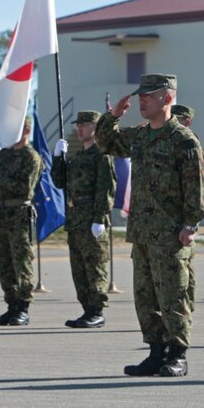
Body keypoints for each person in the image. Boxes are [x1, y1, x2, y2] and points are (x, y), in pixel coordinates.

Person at [96, 74, 204, 378]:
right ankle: (155, 353)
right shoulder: (141, 136)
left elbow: (196, 187)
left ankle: (178, 355)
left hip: (171, 235)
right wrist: (113, 116)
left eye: (150, 95)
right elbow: (106, 143)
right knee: (146, 298)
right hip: (143, 233)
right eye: (141, 95)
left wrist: (190, 223)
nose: (142, 100)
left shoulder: (182, 140)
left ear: (167, 98)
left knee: (173, 296)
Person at [53, 111, 116, 328]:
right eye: (78, 125)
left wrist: (99, 218)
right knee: (79, 269)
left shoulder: (103, 155)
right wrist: (57, 158)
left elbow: (105, 189)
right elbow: (60, 182)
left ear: (96, 128)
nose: (80, 128)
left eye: (85, 124)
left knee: (95, 267)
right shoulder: (78, 157)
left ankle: (97, 311)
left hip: (92, 218)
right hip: (76, 219)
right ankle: (87, 310)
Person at [0, 117, 42, 326]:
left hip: (20, 212)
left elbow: (25, 189)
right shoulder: (5, 154)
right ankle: (11, 305)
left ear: (26, 130)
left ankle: (23, 307)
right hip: (3, 213)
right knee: (4, 262)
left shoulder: (31, 157)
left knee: (22, 261)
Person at [170, 104, 199, 314]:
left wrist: (191, 223)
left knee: (185, 269)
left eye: (178, 118)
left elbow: (194, 187)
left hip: (184, 216)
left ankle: (187, 307)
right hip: (169, 218)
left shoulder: (190, 144)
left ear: (187, 121)